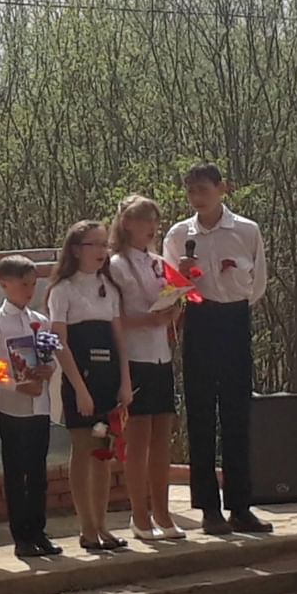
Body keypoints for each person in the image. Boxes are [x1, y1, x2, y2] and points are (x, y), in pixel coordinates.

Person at [165, 164, 273, 535]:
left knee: (237, 414)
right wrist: (182, 275)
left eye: (204, 189)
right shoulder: (180, 234)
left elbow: (257, 282)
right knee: (200, 415)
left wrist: (233, 307)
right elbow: (169, 288)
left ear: (221, 189)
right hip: (198, 318)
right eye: (191, 191)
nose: (198, 197)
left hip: (234, 319)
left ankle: (241, 506)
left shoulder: (246, 230)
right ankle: (209, 508)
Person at [47, 221, 131, 553]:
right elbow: (59, 343)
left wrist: (125, 382)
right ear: (75, 249)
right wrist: (80, 388)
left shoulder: (108, 288)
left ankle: (103, 525)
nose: (101, 251)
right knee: (84, 449)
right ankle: (86, 529)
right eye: (93, 245)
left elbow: (119, 340)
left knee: (103, 452)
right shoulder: (62, 289)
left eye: (104, 245)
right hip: (80, 380)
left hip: (108, 378)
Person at [111, 196, 186, 542]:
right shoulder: (116, 265)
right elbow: (114, 317)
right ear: (127, 223)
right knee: (138, 439)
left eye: (154, 221)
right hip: (134, 355)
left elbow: (169, 299)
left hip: (161, 355)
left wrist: (173, 311)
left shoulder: (158, 262)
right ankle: (139, 516)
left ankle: (162, 511)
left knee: (161, 438)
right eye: (144, 221)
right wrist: (148, 318)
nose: (151, 228)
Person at [0, 253, 62, 558]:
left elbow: (50, 357)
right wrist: (15, 384)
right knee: (17, 473)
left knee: (38, 471)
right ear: (4, 284)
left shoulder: (39, 320)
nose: (29, 290)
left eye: (33, 284)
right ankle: (21, 536)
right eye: (23, 284)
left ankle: (38, 530)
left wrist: (47, 369)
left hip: (39, 405)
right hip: (12, 407)